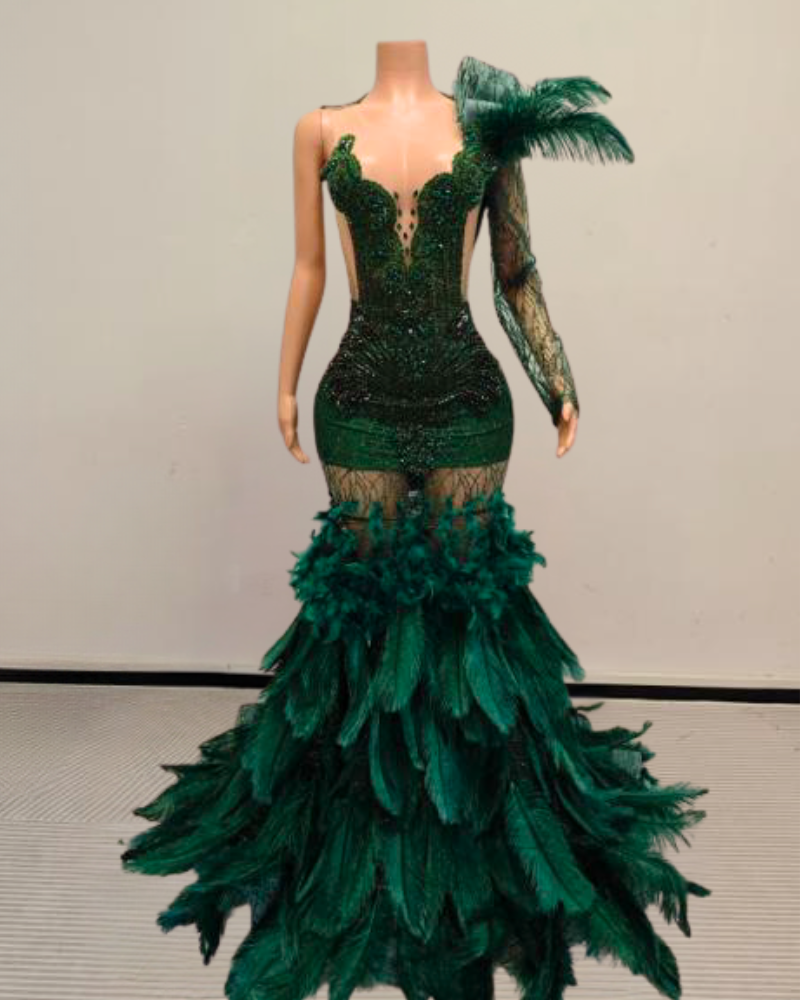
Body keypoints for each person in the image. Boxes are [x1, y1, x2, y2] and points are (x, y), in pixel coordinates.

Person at [121, 43, 711, 1000]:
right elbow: (309, 267)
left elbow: (514, 272)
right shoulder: (321, 129)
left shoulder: (489, 130)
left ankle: (475, 855)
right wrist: (284, 385)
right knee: (361, 619)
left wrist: (558, 381)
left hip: (468, 396)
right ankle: (362, 860)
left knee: (470, 620)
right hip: (356, 395)